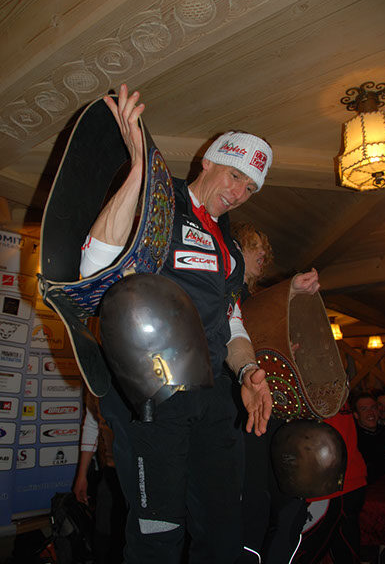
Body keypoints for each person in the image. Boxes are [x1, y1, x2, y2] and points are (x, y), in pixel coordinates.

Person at [79, 84, 273, 564]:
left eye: (250, 188)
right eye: (234, 175)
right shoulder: (161, 206)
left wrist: (248, 371)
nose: (238, 193)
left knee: (222, 530)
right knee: (157, 533)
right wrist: (139, 173)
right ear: (208, 161)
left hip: (215, 398)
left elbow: (232, 321)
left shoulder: (230, 246)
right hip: (155, 391)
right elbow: (94, 265)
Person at [230, 222, 320, 564]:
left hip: (270, 415)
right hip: (243, 416)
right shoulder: (226, 296)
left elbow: (260, 338)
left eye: (266, 250)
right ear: (235, 249)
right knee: (253, 500)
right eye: (255, 246)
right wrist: (290, 289)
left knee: (288, 499)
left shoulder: (255, 300)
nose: (264, 255)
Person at [294, 402, 367, 564]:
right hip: (346, 482)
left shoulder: (320, 394)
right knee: (344, 549)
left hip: (330, 487)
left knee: (303, 551)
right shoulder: (335, 395)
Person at [73, 393, 126, 564]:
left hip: (140, 473)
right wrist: (82, 476)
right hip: (111, 473)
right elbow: (91, 423)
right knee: (104, 538)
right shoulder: (95, 382)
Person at [352, 393, 385, 483]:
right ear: (356, 415)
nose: (370, 413)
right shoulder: (353, 439)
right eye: (364, 409)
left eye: (373, 407)